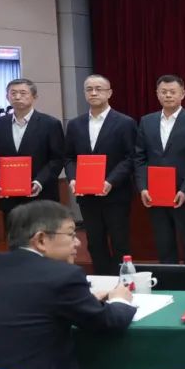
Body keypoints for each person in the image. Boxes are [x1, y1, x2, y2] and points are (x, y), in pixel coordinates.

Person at [0, 200, 136, 369]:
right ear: (41, 240)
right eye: (71, 234)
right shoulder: (62, 276)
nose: (77, 242)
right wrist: (120, 299)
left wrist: (85, 301)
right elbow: (109, 322)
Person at [64, 74, 137, 276]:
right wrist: (73, 178)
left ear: (109, 93)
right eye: (89, 89)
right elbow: (69, 157)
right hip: (87, 195)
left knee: (120, 242)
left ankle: (124, 282)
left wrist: (110, 181)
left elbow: (131, 157)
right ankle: (102, 282)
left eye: (99, 89)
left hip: (116, 193)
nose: (94, 93)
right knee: (95, 243)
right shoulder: (75, 124)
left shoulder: (125, 122)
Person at [133, 75, 185, 264]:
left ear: (182, 94)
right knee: (163, 244)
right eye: (163, 92)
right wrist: (143, 187)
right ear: (157, 94)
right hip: (155, 195)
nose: (168, 95)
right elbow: (139, 157)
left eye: (172, 92)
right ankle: (169, 279)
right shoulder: (146, 121)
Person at [0, 78, 65, 229]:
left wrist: (39, 182)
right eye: (13, 93)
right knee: (15, 239)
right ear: (7, 97)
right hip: (9, 198)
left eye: (23, 93)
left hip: (42, 196)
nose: (18, 97)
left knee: (43, 239)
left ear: (34, 97)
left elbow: (57, 159)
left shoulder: (50, 124)